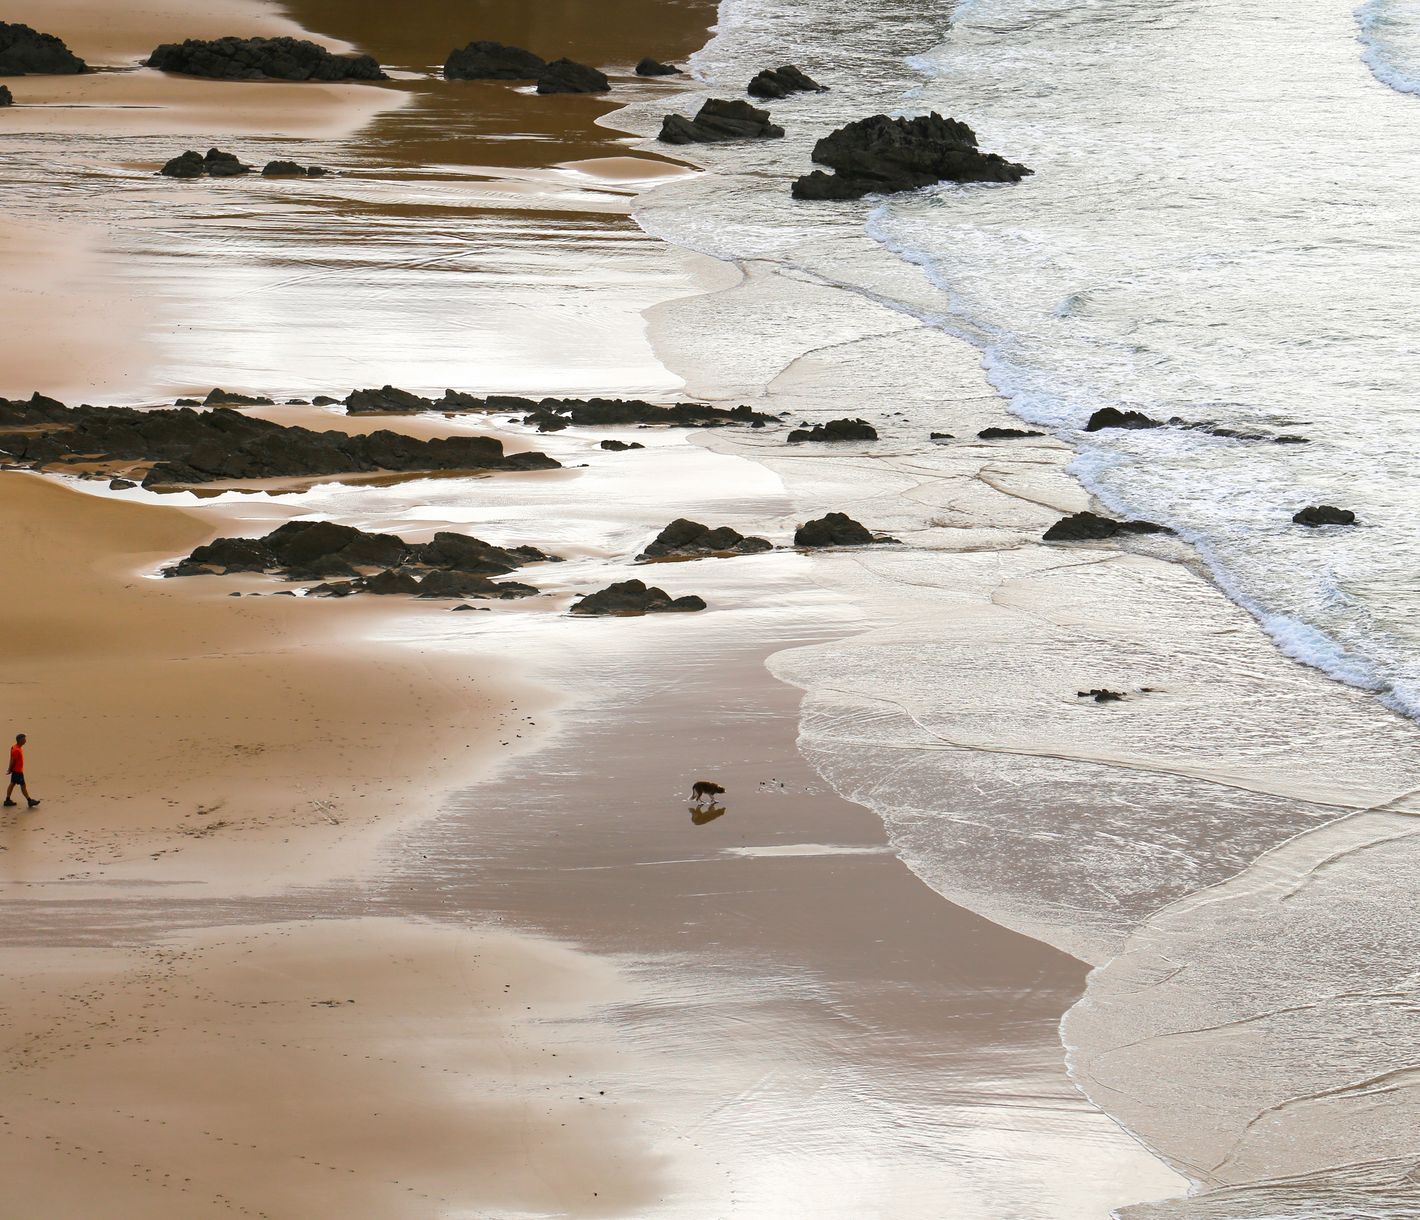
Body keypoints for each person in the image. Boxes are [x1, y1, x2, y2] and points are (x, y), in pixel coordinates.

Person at [5, 733, 38, 809]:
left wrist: (10, 769)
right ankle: (29, 801)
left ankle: (7, 800)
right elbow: (13, 760)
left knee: (12, 784)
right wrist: (10, 769)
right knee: (23, 786)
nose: (25, 740)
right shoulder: (16, 750)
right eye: (24, 739)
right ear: (20, 740)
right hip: (18, 771)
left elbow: (11, 758)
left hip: (16, 771)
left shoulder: (14, 747)